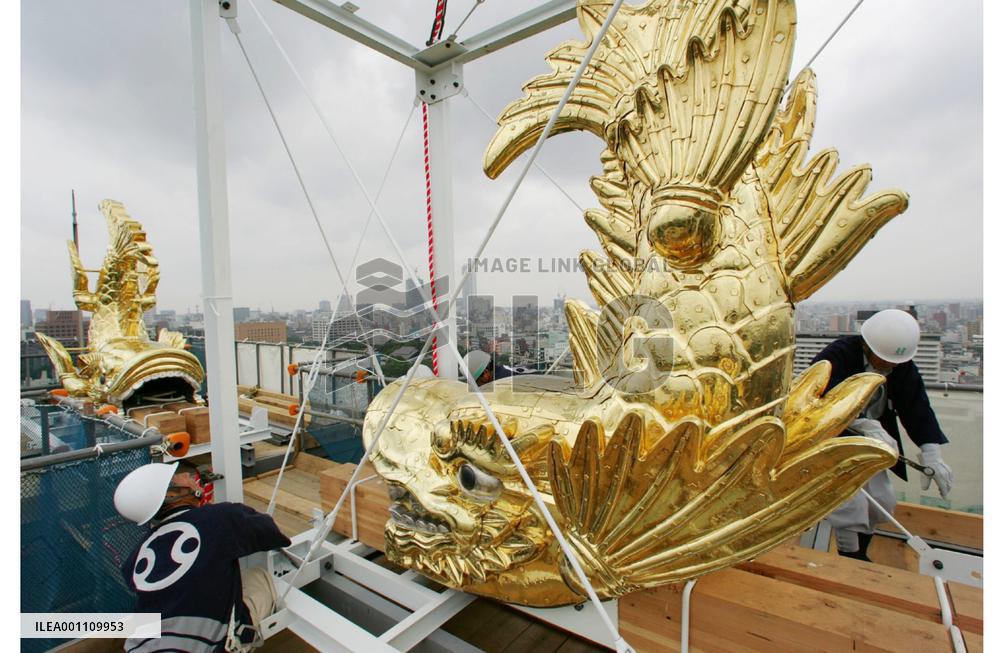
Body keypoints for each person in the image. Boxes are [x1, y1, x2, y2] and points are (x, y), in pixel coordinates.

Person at [811, 309, 954, 561]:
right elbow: (820, 397)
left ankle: (861, 550)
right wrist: (866, 425)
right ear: (867, 346)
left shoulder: (901, 367)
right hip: (833, 437)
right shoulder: (838, 355)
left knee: (882, 500)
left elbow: (917, 407)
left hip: (873, 441)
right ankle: (850, 554)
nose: (889, 365)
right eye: (884, 359)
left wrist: (932, 453)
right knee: (848, 501)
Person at [114, 461, 291, 652]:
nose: (191, 477)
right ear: (171, 494)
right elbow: (271, 533)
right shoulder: (221, 517)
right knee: (259, 576)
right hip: (209, 648)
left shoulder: (136, 556)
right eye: (178, 476)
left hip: (140, 647)